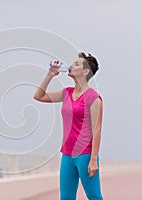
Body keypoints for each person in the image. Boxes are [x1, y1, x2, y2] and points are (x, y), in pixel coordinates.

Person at [33, 52, 104, 200]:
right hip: (67, 154)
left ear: (85, 71)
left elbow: (96, 129)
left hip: (85, 155)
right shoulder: (66, 93)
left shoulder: (93, 98)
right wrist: (50, 75)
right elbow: (38, 96)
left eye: (76, 64)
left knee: (94, 196)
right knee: (66, 197)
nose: (71, 65)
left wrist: (93, 160)